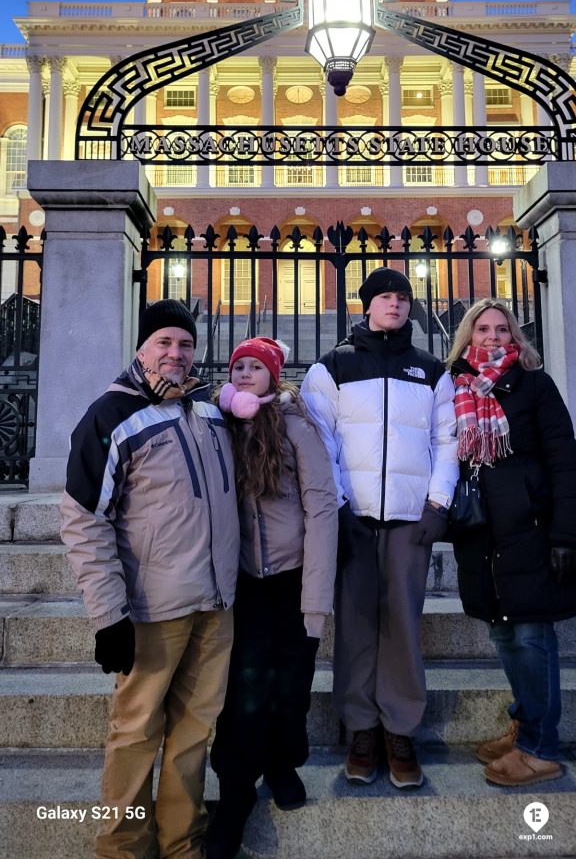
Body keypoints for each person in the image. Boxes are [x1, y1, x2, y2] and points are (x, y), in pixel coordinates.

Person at [60, 299, 240, 859]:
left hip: (215, 604)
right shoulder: (110, 416)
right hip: (151, 610)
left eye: (185, 344)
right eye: (164, 343)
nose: (176, 354)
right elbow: (85, 521)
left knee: (194, 732)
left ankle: (181, 840)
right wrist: (108, 616)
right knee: (136, 734)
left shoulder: (209, 411)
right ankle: (122, 847)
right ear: (141, 349)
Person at [300, 268, 458, 789]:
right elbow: (318, 444)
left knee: (403, 626)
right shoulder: (332, 367)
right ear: (367, 304)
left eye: (403, 297)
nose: (395, 304)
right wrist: (338, 508)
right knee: (356, 624)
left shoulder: (431, 369)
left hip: (410, 521)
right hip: (354, 519)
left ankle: (401, 729)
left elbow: (448, 439)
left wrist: (437, 504)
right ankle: (361, 727)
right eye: (385, 296)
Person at [207, 336, 338, 859]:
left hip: (291, 578)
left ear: (273, 375)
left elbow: (323, 510)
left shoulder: (297, 427)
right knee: (241, 691)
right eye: (236, 366)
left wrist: (315, 603)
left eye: (254, 367)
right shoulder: (217, 427)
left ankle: (283, 763)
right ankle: (235, 789)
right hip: (238, 582)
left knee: (291, 683)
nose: (243, 374)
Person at [446, 298, 576, 787]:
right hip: (481, 532)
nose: (493, 337)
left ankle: (540, 747)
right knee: (502, 632)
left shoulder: (535, 386)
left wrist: (567, 534)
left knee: (530, 635)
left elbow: (564, 460)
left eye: (503, 329)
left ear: (516, 338)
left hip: (532, 531)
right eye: (483, 329)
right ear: (468, 335)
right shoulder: (455, 386)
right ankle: (525, 723)